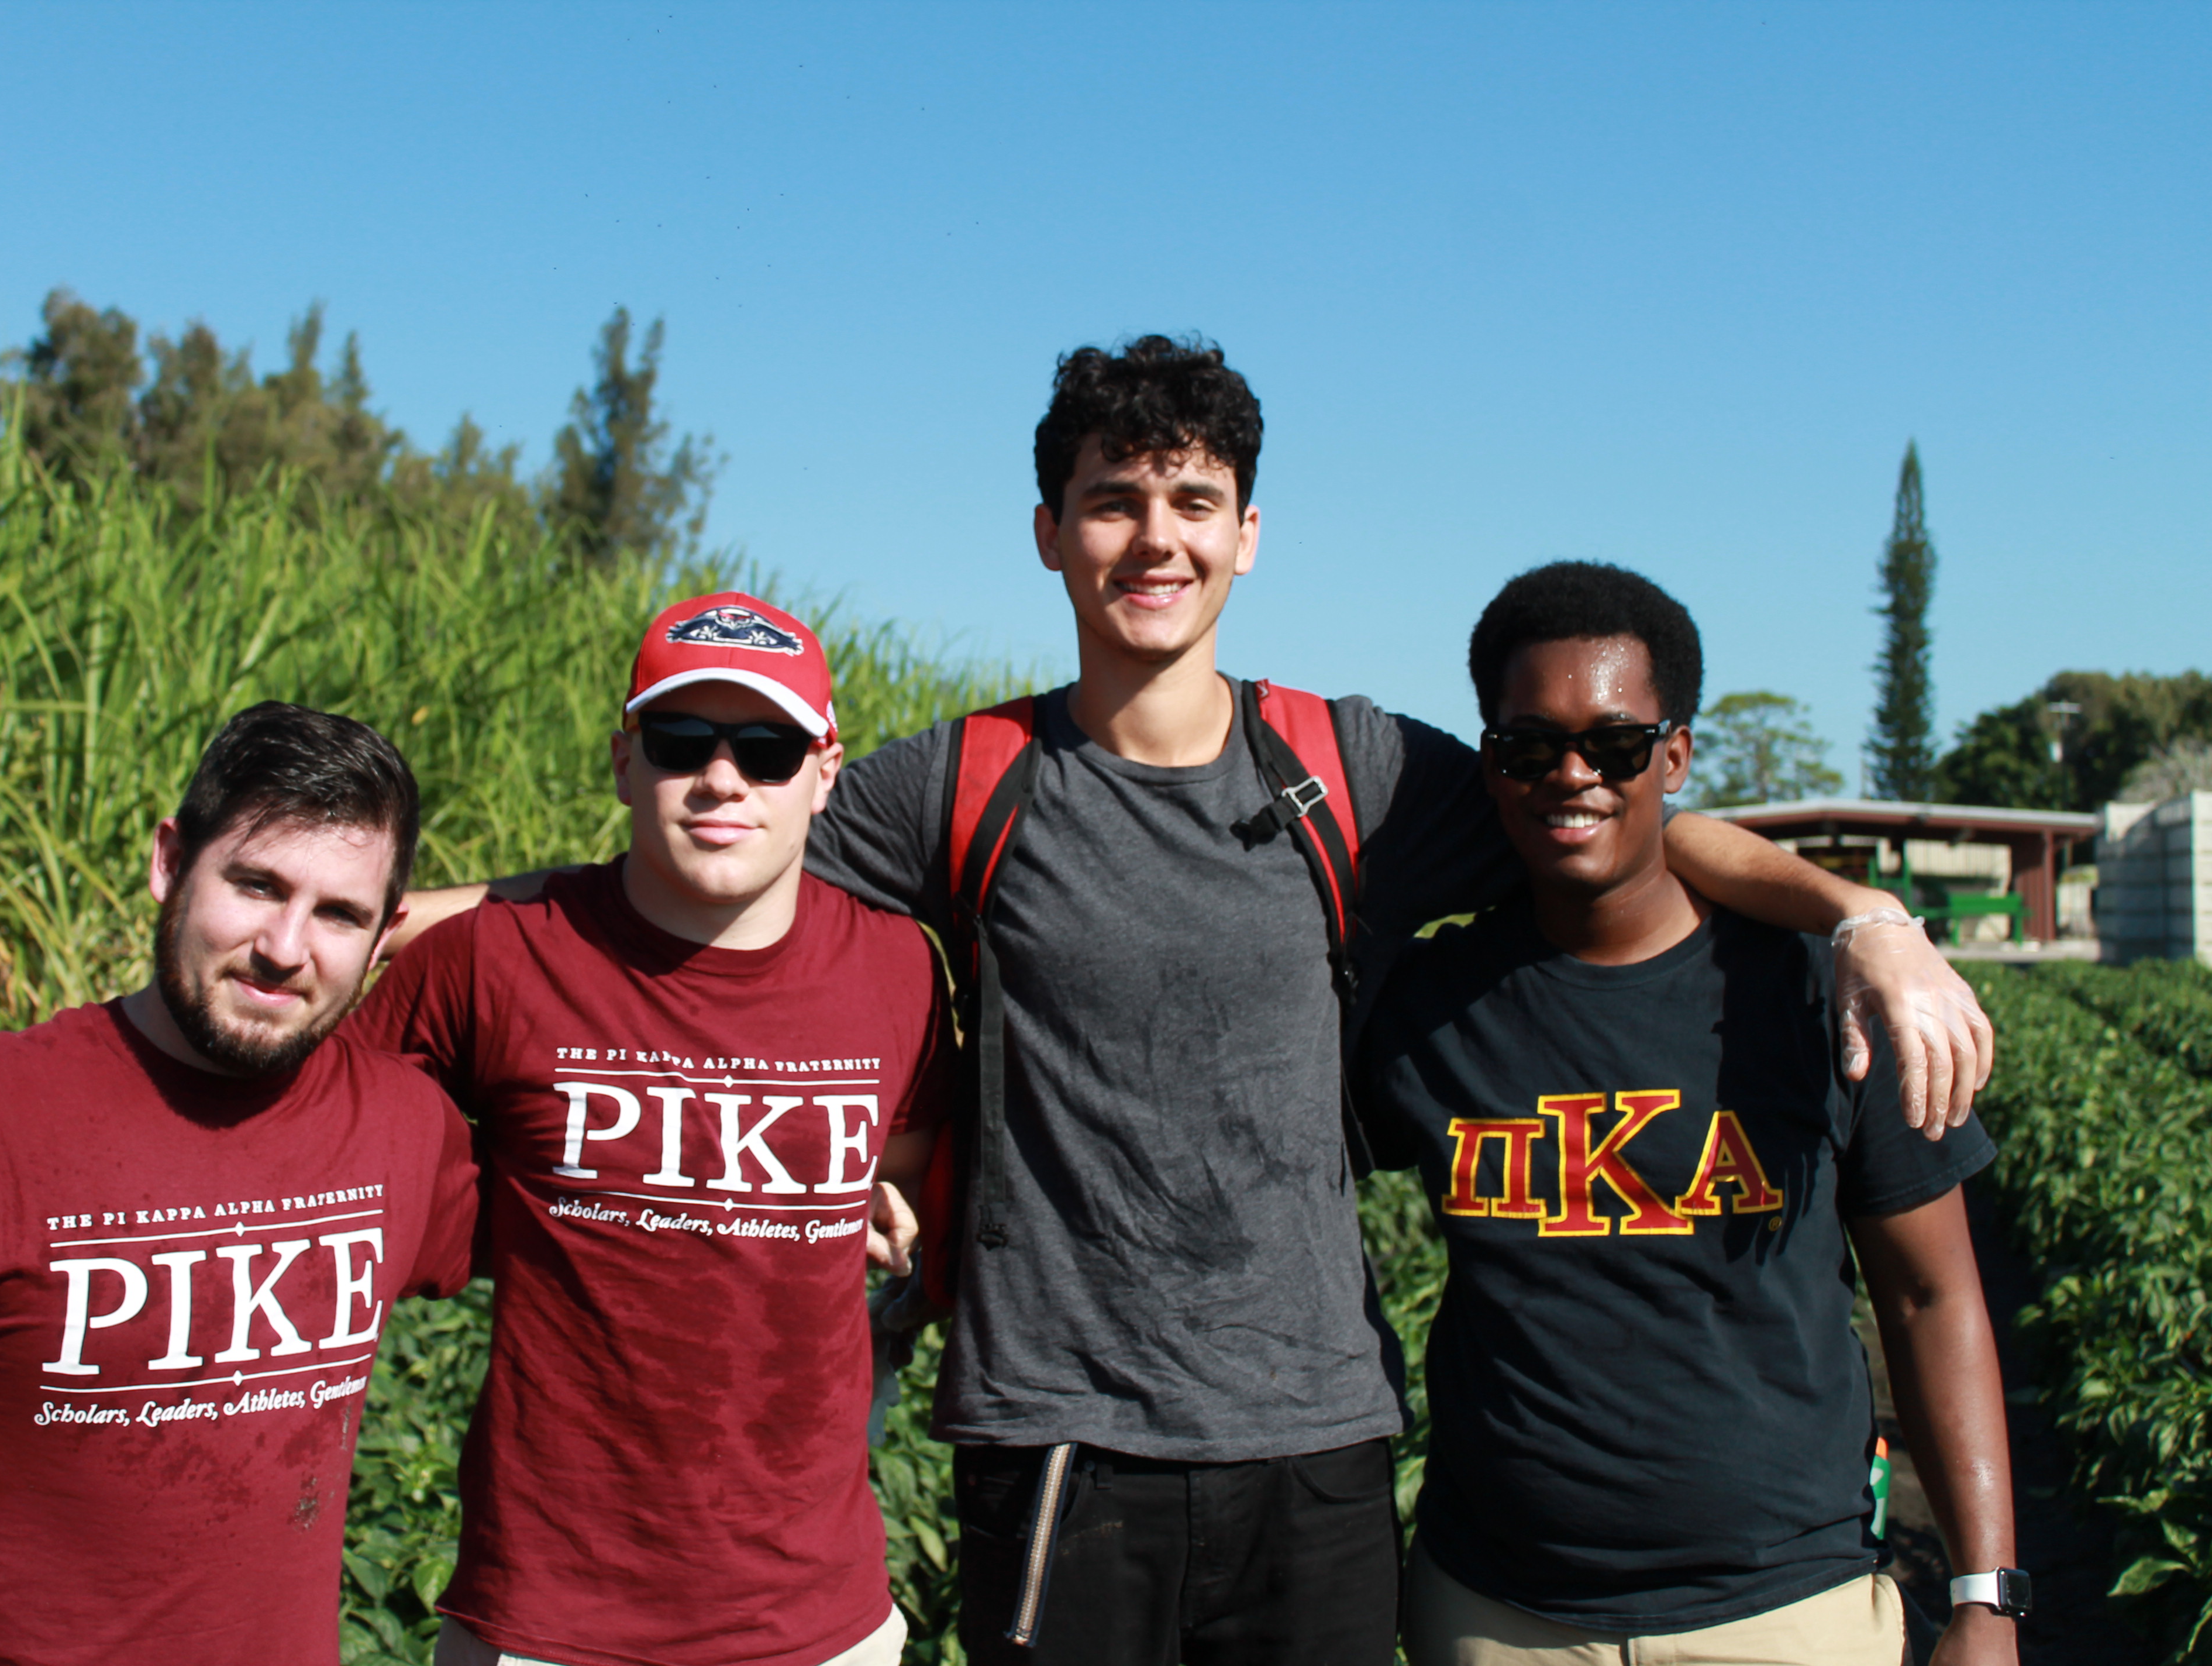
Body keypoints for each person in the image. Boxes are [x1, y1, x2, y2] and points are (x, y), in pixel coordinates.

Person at [395, 339, 1995, 1664]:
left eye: (1191, 501)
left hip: (1314, 1439)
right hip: (1059, 1437)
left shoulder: (1349, 767)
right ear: (1049, 532)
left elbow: (1600, 809)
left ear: (1248, 534)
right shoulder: (968, 781)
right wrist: (402, 920)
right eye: (1112, 501)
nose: (1152, 539)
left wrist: (1864, 918)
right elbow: (705, 842)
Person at [0, 703, 482, 1665]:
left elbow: (618, 1245)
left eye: (339, 914)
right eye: (255, 885)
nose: (286, 948)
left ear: (386, 935)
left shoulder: (406, 1130)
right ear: (170, 862)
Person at [1360, 561, 2018, 1666]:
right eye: (1530, 747)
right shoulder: (1430, 1006)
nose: (1573, 775)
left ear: (1675, 757)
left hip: (1787, 1610)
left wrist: (1985, 1599)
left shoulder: (1828, 999)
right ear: (1491, 763)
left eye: (1616, 745)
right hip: (1497, 1613)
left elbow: (1930, 1295)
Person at [345, 592, 950, 1666]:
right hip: (548, 1619)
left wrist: (843, 1187)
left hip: (816, 1622)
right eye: (681, 741)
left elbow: (902, 1156)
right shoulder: (489, 960)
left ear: (825, 772)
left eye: (767, 751)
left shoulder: (899, 970)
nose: (722, 778)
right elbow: (306, 1146)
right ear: (626, 761)